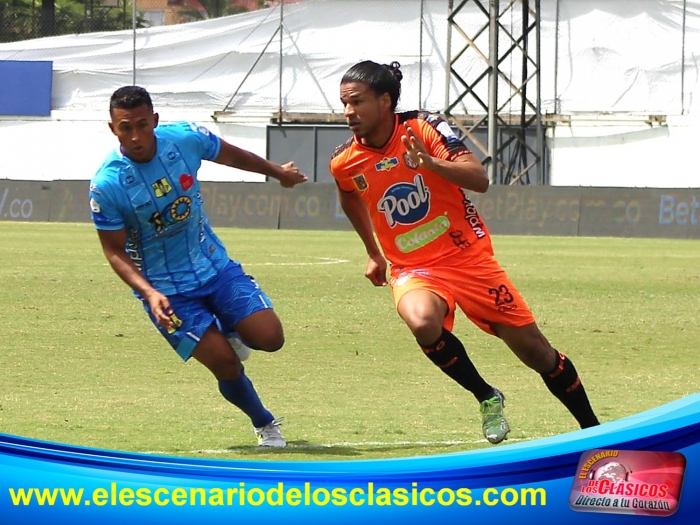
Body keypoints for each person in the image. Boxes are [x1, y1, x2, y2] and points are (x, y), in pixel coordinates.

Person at [329, 61, 599, 444]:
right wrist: (373, 252)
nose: (348, 112)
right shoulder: (344, 160)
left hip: (467, 258)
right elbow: (347, 194)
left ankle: (595, 433)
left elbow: (479, 179)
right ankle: (486, 396)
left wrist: (429, 163)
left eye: (357, 102)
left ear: (385, 101)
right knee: (422, 322)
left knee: (537, 354)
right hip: (413, 268)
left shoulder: (424, 128)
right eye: (344, 103)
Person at [89, 85, 307, 448]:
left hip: (214, 266)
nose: (136, 136)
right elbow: (114, 252)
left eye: (142, 125)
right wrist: (149, 293)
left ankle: (227, 327)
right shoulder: (107, 184)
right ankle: (265, 423)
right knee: (225, 364)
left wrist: (276, 171)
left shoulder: (185, 139)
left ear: (155, 121)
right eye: (126, 128)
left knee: (271, 338)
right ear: (113, 129)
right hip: (166, 292)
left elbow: (230, 154)